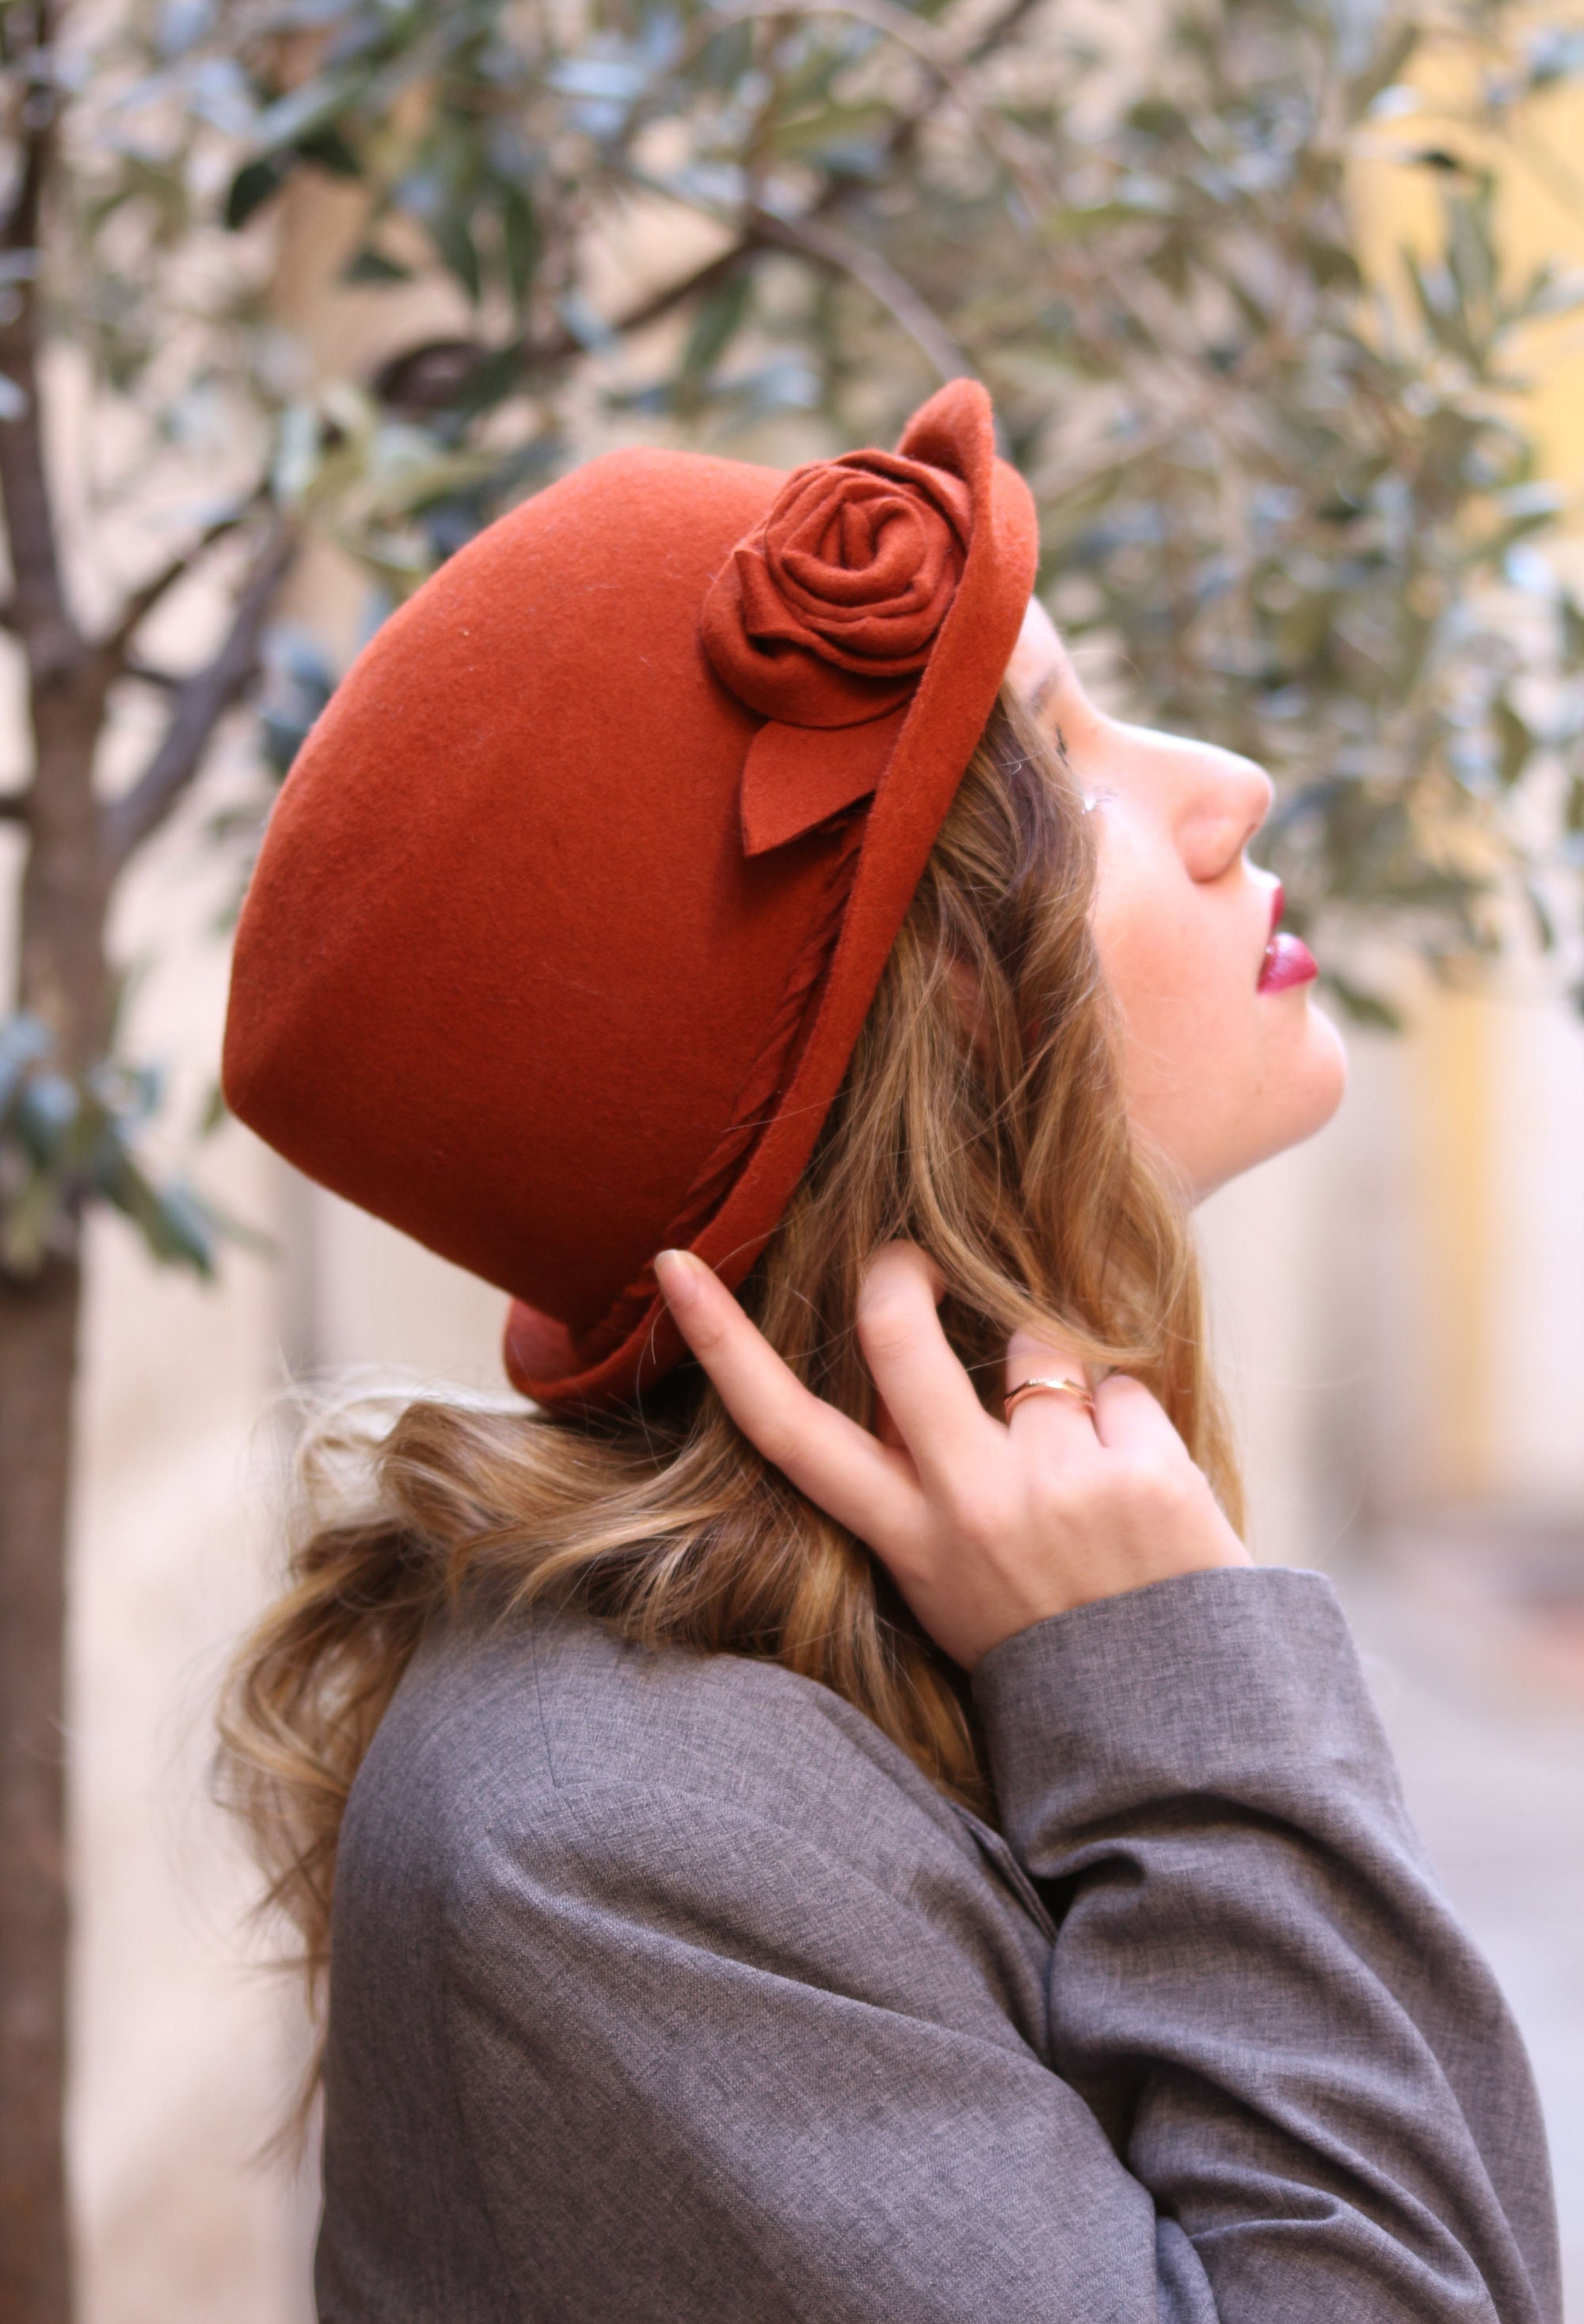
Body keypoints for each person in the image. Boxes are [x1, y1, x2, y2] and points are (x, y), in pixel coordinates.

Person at [219, 380, 1559, 2323]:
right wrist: (1173, 1699)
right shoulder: (618, 1837)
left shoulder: (891, 1652)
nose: (1227, 789)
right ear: (901, 1030)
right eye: (1053, 750)